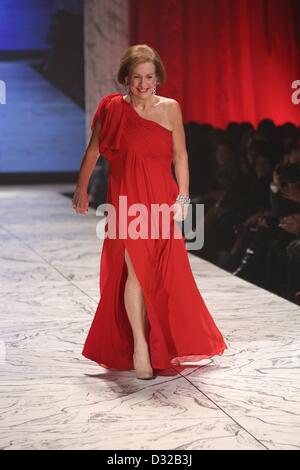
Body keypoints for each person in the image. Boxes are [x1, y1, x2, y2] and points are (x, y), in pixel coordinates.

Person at [72, 44, 227, 380]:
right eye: (137, 77)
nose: (143, 83)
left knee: (158, 273)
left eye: (149, 77)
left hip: (162, 200)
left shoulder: (170, 108)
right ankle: (141, 346)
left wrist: (183, 197)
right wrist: (81, 189)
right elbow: (93, 152)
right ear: (126, 77)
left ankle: (156, 340)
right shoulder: (112, 109)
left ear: (158, 78)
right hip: (127, 201)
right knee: (135, 271)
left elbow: (180, 156)